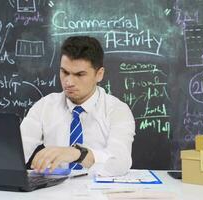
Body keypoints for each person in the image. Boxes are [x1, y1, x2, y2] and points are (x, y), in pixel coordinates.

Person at [20, 36, 135, 176]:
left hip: (98, 192)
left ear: (99, 74)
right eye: (64, 72)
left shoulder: (117, 110)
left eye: (79, 74)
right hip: (55, 190)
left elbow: (120, 162)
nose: (69, 82)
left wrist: (79, 154)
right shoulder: (44, 106)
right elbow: (18, 150)